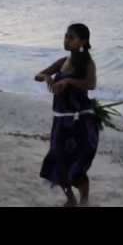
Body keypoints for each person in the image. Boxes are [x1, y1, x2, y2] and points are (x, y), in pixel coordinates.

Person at [35, 23, 98, 207]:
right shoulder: (63, 61)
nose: (67, 40)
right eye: (66, 36)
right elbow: (38, 75)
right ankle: (70, 199)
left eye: (71, 37)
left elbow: (91, 84)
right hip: (61, 122)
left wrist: (69, 81)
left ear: (83, 41)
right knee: (58, 163)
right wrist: (47, 77)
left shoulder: (87, 63)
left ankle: (84, 199)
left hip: (80, 122)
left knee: (76, 166)